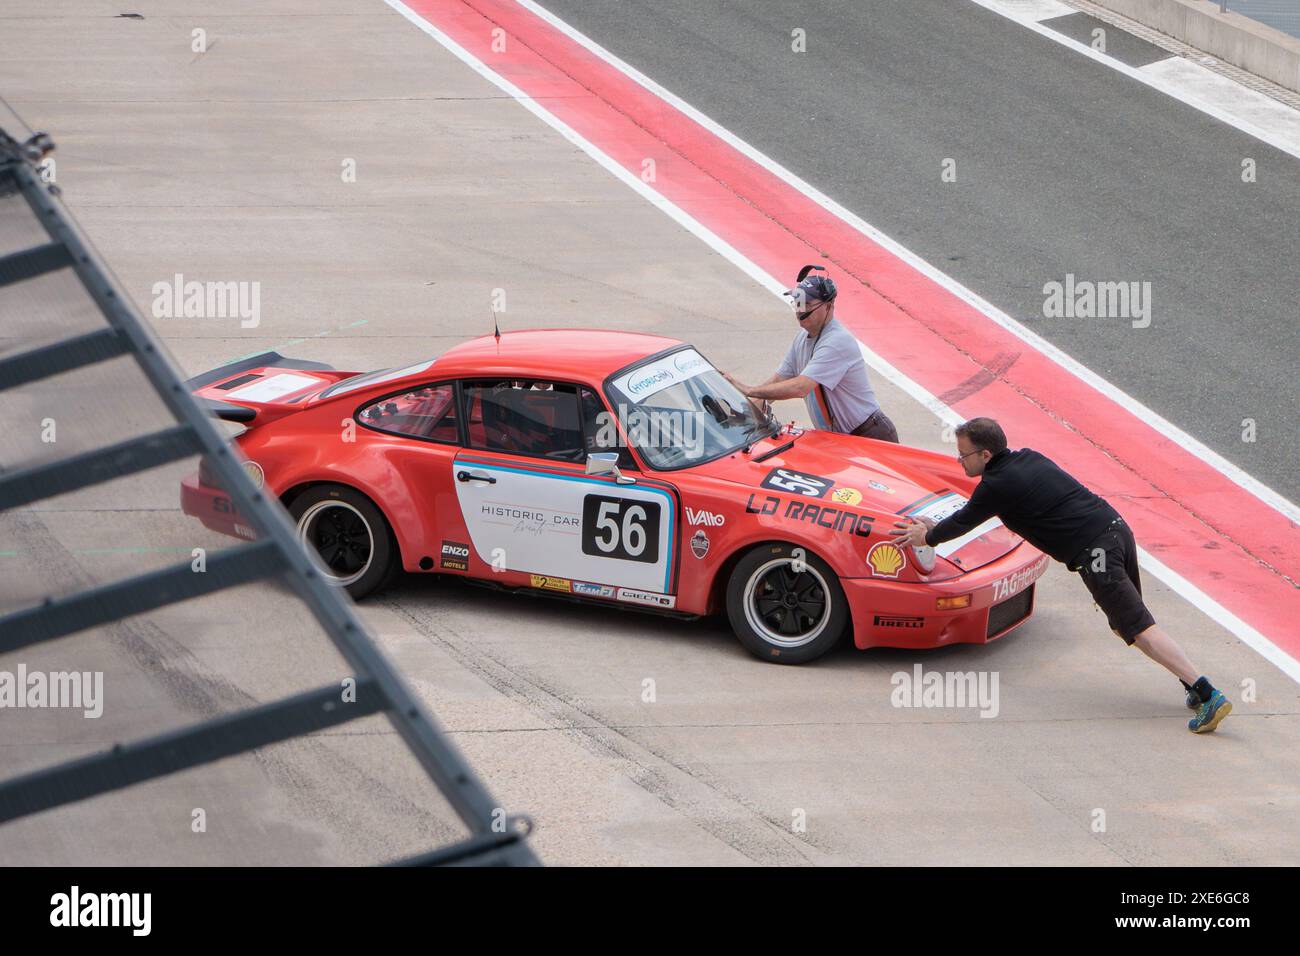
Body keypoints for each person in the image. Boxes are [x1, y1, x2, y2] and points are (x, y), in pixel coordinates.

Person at [890, 417, 1231, 734]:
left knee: (1138, 628)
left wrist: (927, 537)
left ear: (985, 453)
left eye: (963, 455)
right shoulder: (1028, 459)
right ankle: (1193, 688)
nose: (959, 461)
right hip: (1115, 529)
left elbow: (965, 520)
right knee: (1125, 624)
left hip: (1095, 552)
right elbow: (972, 515)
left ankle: (1207, 693)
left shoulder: (995, 485)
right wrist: (938, 529)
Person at [724, 265, 898, 441]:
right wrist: (744, 412)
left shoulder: (836, 341)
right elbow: (779, 380)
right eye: (797, 302)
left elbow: (800, 387)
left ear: (829, 306)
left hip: (870, 434)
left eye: (807, 304)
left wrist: (749, 390)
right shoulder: (801, 339)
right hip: (841, 438)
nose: (800, 310)